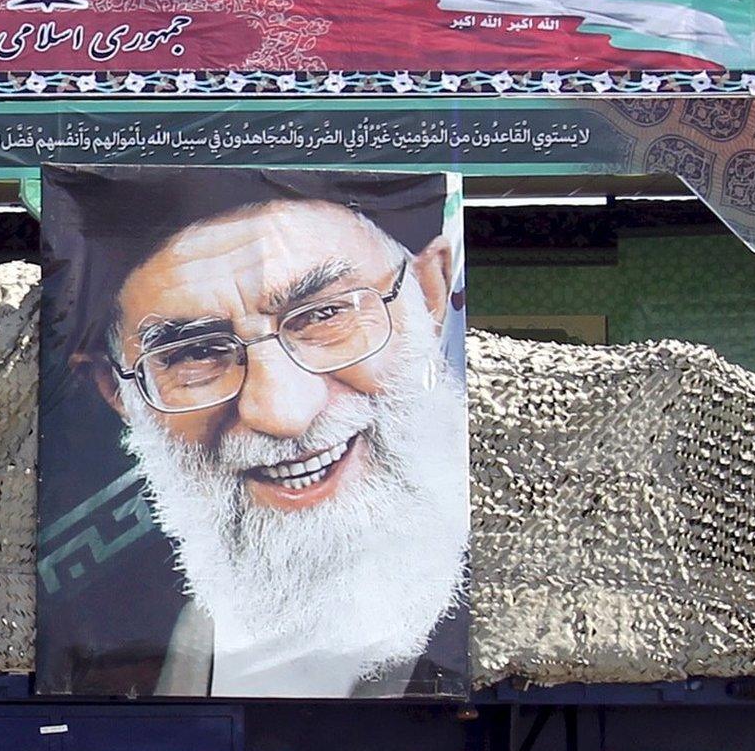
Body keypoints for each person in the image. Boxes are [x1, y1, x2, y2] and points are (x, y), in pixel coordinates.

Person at [80, 179, 467, 698]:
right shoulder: (135, 625)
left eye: (324, 314)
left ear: (429, 293)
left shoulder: (511, 589)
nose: (281, 412)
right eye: (195, 354)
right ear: (119, 392)